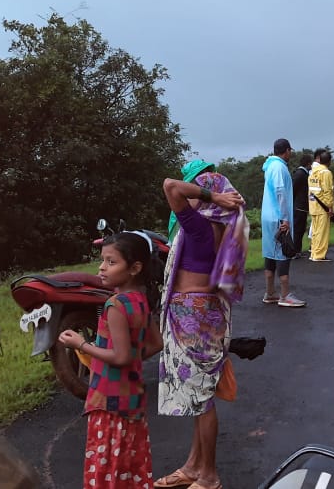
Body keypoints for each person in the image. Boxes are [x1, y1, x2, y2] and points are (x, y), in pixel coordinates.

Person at [156, 165, 247, 489]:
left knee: (202, 400)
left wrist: (212, 195)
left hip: (190, 316)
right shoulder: (225, 231)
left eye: (200, 193)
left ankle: (209, 475)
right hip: (206, 314)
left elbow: (171, 186)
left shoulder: (197, 227)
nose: (193, 198)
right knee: (198, 397)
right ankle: (194, 466)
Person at [58, 231, 163, 488]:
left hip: (109, 401)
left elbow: (120, 356)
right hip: (132, 399)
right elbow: (156, 343)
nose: (102, 268)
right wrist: (128, 354)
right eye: (103, 260)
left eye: (111, 262)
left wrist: (81, 344)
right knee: (128, 464)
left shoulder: (114, 305)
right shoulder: (139, 300)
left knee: (107, 468)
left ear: (135, 268)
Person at [261, 138, 305, 307]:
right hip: (278, 216)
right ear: (287, 150)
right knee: (283, 252)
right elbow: (280, 192)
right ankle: (285, 295)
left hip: (267, 215)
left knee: (270, 253)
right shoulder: (279, 167)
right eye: (290, 151)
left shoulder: (270, 166)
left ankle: (270, 292)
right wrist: (285, 218)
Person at [307, 149, 334, 262]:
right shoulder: (326, 173)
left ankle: (313, 253)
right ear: (329, 161)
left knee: (315, 231)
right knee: (322, 232)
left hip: (313, 205)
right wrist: (330, 206)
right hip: (323, 207)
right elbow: (328, 191)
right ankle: (319, 255)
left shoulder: (313, 172)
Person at [292, 153, 313, 257]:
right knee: (297, 229)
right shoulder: (300, 174)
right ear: (308, 164)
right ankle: (295, 251)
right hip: (298, 207)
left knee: (300, 229)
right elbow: (293, 190)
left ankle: (298, 250)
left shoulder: (303, 174)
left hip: (302, 207)